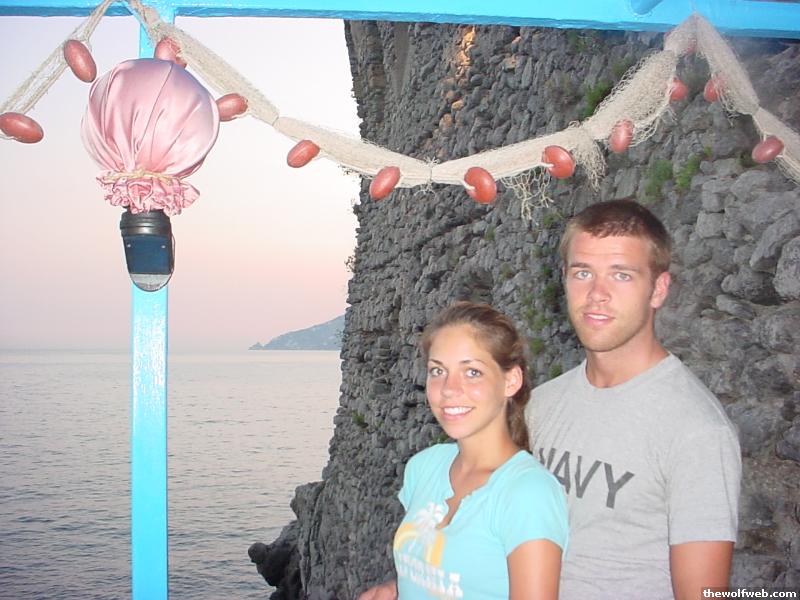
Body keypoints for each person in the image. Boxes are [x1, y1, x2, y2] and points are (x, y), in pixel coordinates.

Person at [527, 199, 741, 600]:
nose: (596, 294)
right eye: (582, 273)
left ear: (658, 289)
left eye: (621, 275)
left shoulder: (697, 431)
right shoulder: (541, 404)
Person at [359, 302, 568, 600]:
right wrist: (397, 588)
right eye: (437, 371)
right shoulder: (424, 467)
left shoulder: (528, 493)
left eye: (472, 372)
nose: (448, 388)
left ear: (511, 381)